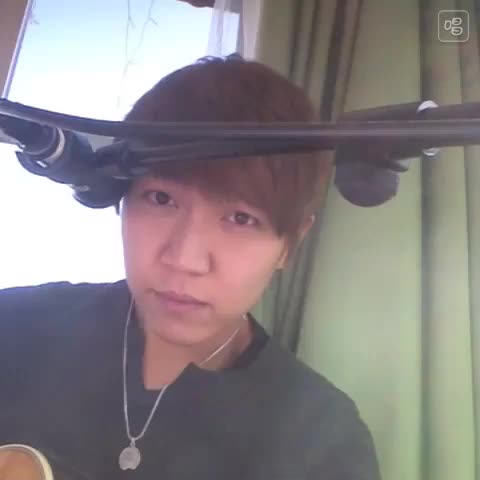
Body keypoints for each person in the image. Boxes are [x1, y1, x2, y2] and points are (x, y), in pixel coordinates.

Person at [0, 54, 381, 480]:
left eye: (241, 218)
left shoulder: (323, 440)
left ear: (289, 244)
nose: (184, 259)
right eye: (161, 198)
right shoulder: (14, 325)